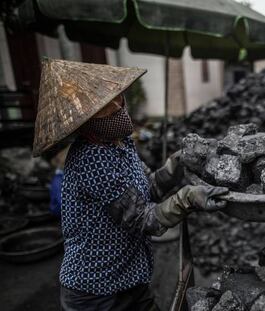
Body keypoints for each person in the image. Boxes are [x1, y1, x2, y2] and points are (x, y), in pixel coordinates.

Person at [32, 58, 228, 311]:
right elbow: (142, 219)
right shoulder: (91, 158)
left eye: (117, 99)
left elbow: (145, 190)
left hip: (130, 278)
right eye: (106, 108)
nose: (117, 107)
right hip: (96, 290)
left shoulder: (120, 143)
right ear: (86, 121)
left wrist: (176, 164)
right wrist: (187, 199)